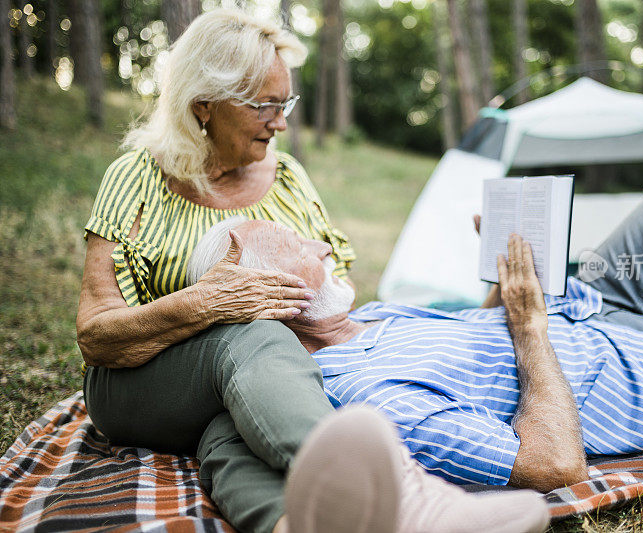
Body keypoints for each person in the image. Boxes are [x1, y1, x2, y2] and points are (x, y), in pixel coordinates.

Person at [76, 8, 550, 533]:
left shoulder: (288, 178)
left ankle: (295, 524)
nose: (281, 123)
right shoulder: (136, 177)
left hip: (258, 384)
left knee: (233, 432)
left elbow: (334, 300)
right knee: (250, 336)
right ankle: (409, 499)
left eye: (287, 103)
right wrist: (208, 303)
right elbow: (97, 336)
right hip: (138, 383)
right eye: (266, 106)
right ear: (203, 104)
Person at [187, 161, 643, 493]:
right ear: (264, 294)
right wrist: (529, 321)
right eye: (295, 245)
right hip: (629, 373)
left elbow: (475, 347)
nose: (321, 244)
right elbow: (553, 465)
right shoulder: (365, 399)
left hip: (585, 305)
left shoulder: (362, 317)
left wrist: (503, 279)